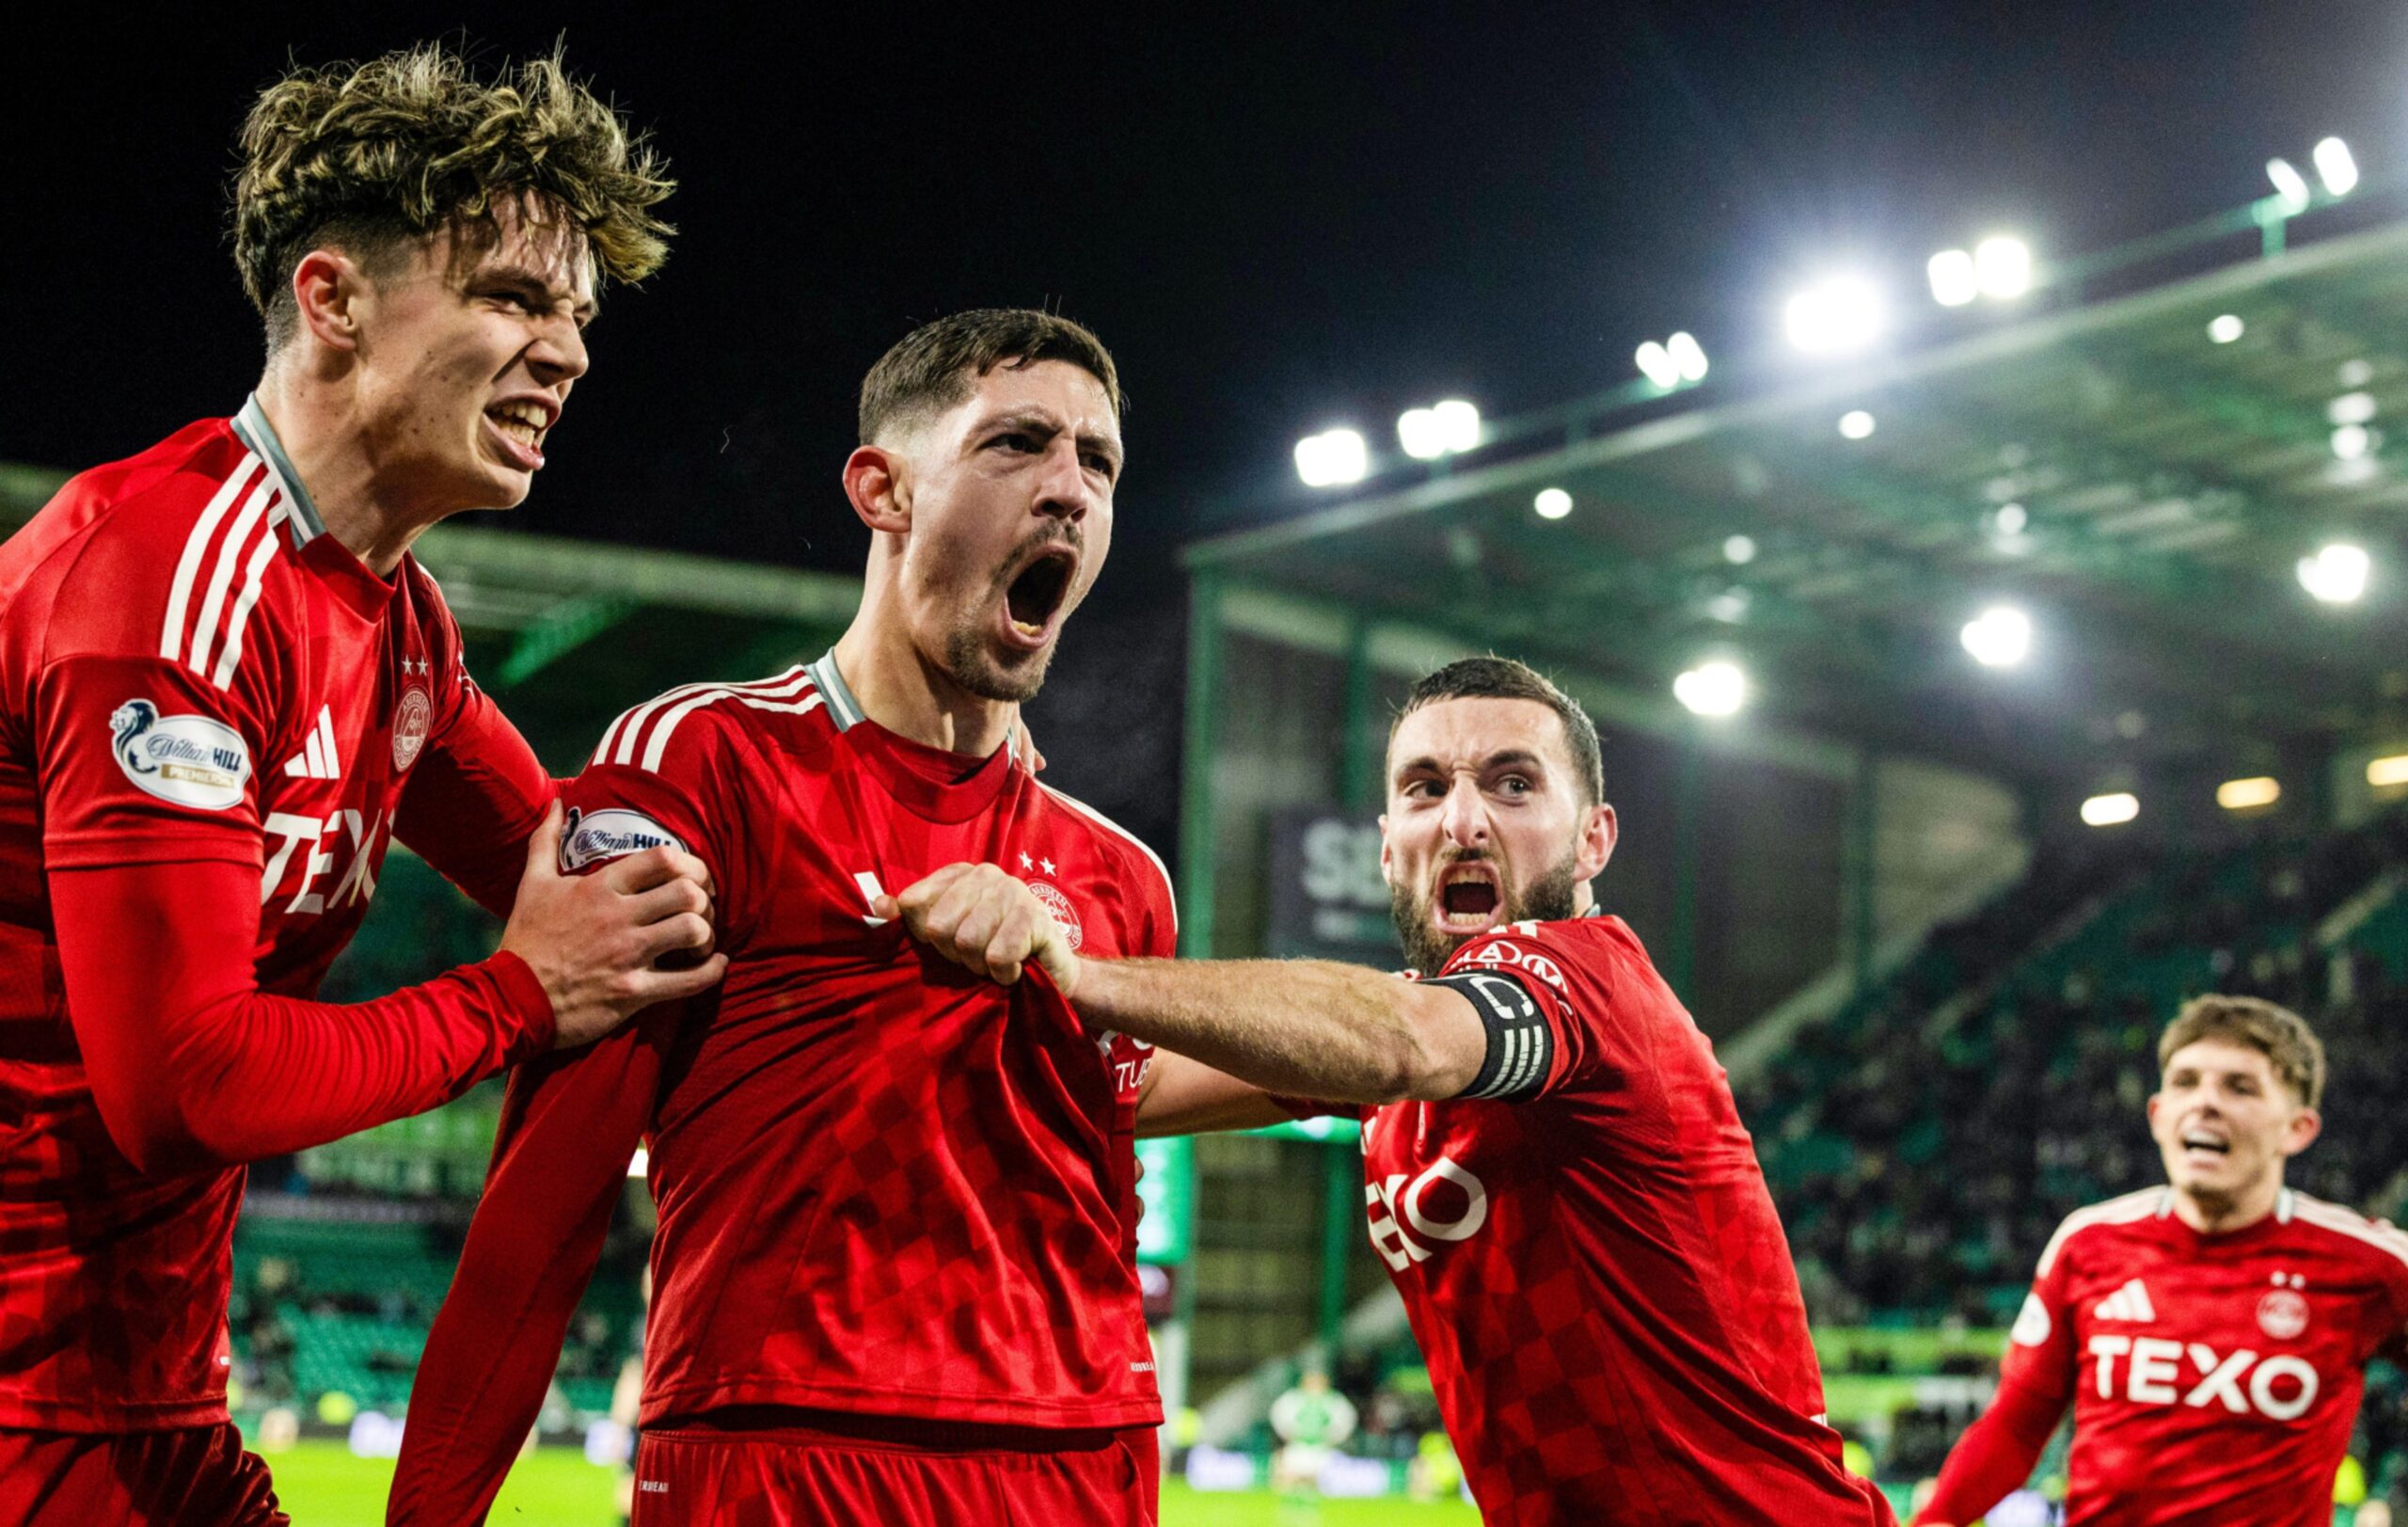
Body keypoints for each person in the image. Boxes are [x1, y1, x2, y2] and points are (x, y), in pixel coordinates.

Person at [0, 46, 724, 1526]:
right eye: (515, 298)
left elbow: (578, 858)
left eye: (577, 315)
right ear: (330, 300)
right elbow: (185, 1083)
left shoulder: (398, 624)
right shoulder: (167, 579)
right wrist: (517, 996)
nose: (570, 352)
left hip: (138, 1400)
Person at [389, 309, 1173, 1526]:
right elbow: (540, 1222)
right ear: (883, 488)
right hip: (782, 1449)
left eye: (1101, 461)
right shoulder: (698, 763)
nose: (1070, 488)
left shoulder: (1122, 876)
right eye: (1018, 443)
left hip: (1078, 1461)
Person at [889, 656, 1896, 1525]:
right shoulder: (1406, 1045)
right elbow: (1121, 1092)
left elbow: (1403, 1039)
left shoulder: (1588, 984)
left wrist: (1085, 971)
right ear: (1385, 846)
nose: (1461, 821)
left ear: (1592, 840)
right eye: (1423, 789)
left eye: (1511, 785)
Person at [1913, 996, 2408, 1527]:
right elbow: (2017, 1425)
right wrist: (1934, 1520)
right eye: (2185, 1082)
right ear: (2157, 1115)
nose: (2206, 1103)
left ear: (2298, 1128)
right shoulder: (2087, 1244)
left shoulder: (2370, 1264)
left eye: (2239, 1087)